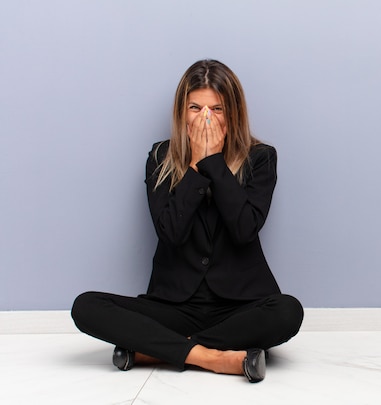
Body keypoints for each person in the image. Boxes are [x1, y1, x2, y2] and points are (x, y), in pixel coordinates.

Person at [71, 59, 304, 383]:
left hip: (239, 306)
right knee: (86, 306)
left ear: (233, 112)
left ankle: (153, 351)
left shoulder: (260, 157)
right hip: (173, 307)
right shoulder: (160, 157)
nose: (205, 118)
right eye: (195, 107)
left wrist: (213, 163)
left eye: (217, 109)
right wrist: (195, 169)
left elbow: (244, 230)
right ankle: (213, 358)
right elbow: (170, 234)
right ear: (182, 111)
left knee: (288, 311)